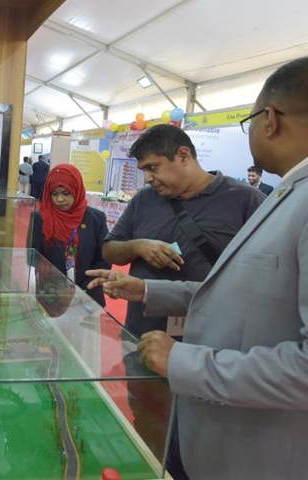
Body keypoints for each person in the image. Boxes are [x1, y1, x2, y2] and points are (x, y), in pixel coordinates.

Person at [88, 56, 308, 480]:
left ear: (269, 120)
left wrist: (187, 363)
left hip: (282, 454)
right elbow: (248, 292)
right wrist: (148, 291)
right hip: (233, 438)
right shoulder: (303, 189)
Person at [102, 124, 264, 478]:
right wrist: (139, 245)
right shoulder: (145, 201)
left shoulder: (245, 201)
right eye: (143, 170)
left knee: (205, 430)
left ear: (184, 156)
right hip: (144, 333)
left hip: (210, 343)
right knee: (148, 416)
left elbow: (259, 279)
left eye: (153, 167)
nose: (147, 179)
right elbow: (110, 247)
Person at [32, 163, 110, 307]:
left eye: (66, 193)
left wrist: (82, 290)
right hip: (52, 295)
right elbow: (33, 258)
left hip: (89, 297)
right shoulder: (41, 218)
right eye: (54, 194)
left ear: (77, 189)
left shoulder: (95, 218)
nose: (60, 199)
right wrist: (58, 288)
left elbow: (103, 259)